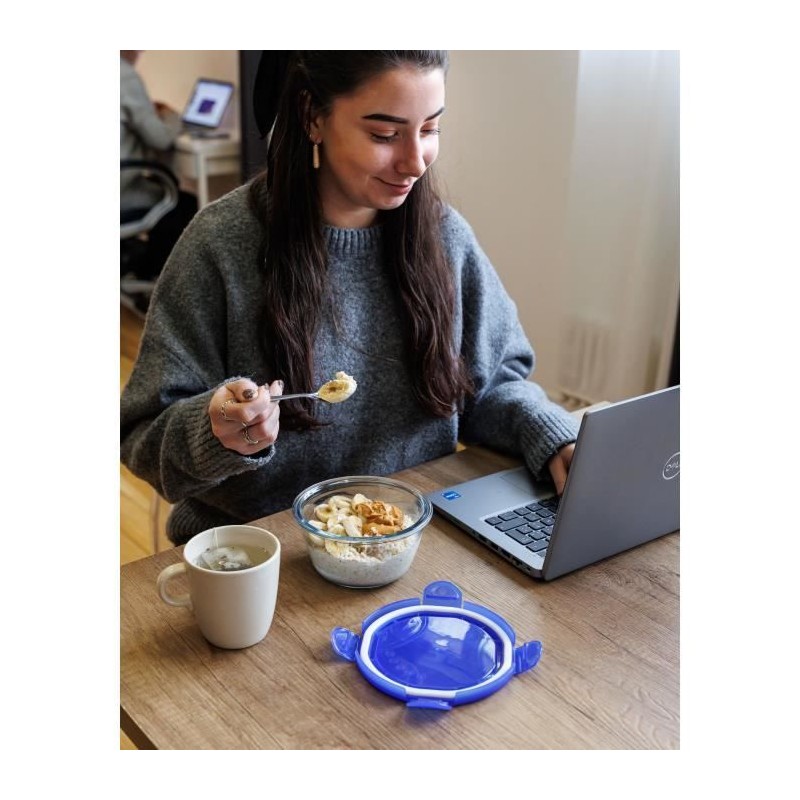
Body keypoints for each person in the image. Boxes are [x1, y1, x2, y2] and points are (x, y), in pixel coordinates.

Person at [120, 51, 579, 546]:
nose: (415, 161)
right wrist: (215, 433)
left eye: (430, 129)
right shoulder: (222, 245)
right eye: (384, 134)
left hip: (410, 541)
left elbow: (490, 385)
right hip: (257, 554)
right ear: (312, 117)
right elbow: (142, 438)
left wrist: (552, 435)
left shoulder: (445, 237)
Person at [120, 50, 198, 282]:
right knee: (184, 204)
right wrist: (172, 118)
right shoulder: (124, 75)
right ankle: (152, 277)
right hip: (122, 193)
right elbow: (161, 139)